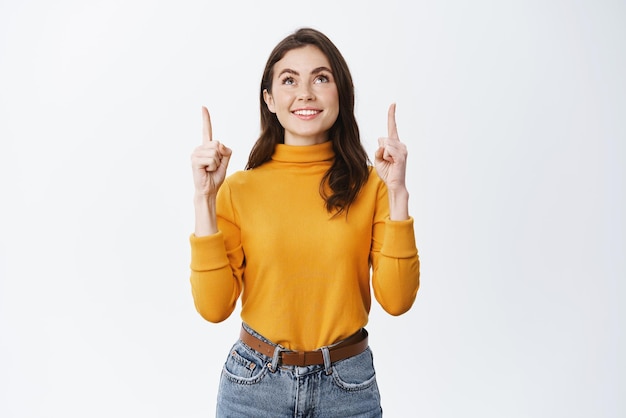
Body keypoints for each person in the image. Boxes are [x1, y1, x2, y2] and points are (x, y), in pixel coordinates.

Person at [189, 27, 419, 417]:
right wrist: (204, 199)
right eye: (289, 80)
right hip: (253, 387)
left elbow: (397, 302)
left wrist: (398, 192)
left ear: (340, 94)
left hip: (347, 387)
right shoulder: (239, 189)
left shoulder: (372, 187)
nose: (306, 93)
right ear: (270, 99)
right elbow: (213, 308)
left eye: (321, 78)